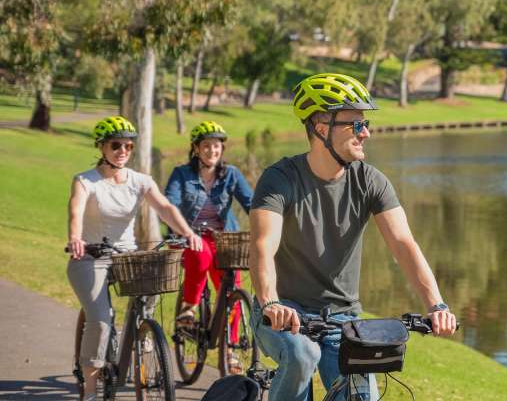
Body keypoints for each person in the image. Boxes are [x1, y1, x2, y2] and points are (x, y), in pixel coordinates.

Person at [249, 73, 458, 400]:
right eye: (355, 124)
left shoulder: (370, 181)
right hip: (284, 312)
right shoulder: (280, 179)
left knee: (365, 398)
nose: (366, 133)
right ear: (321, 126)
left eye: (365, 123)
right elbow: (263, 245)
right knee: (302, 356)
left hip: (342, 319)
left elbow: (404, 244)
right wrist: (271, 302)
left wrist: (437, 304)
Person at [66, 116, 203, 401]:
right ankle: (90, 392)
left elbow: (165, 207)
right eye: (116, 145)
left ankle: (144, 331)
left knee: (153, 283)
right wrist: (76, 238)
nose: (123, 151)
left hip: (127, 254)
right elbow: (76, 211)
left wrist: (188, 233)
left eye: (128, 146)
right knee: (101, 321)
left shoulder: (140, 181)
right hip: (90, 257)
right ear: (101, 147)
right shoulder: (86, 181)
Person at [165, 120, 253, 353]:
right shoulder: (181, 174)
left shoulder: (231, 174)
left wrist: (266, 226)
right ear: (195, 148)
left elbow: (252, 204)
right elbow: (170, 204)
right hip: (189, 237)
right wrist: (185, 232)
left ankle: (230, 350)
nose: (212, 151)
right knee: (200, 254)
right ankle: (189, 307)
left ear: (222, 149)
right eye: (206, 145)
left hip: (222, 239)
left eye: (216, 146)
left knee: (232, 289)